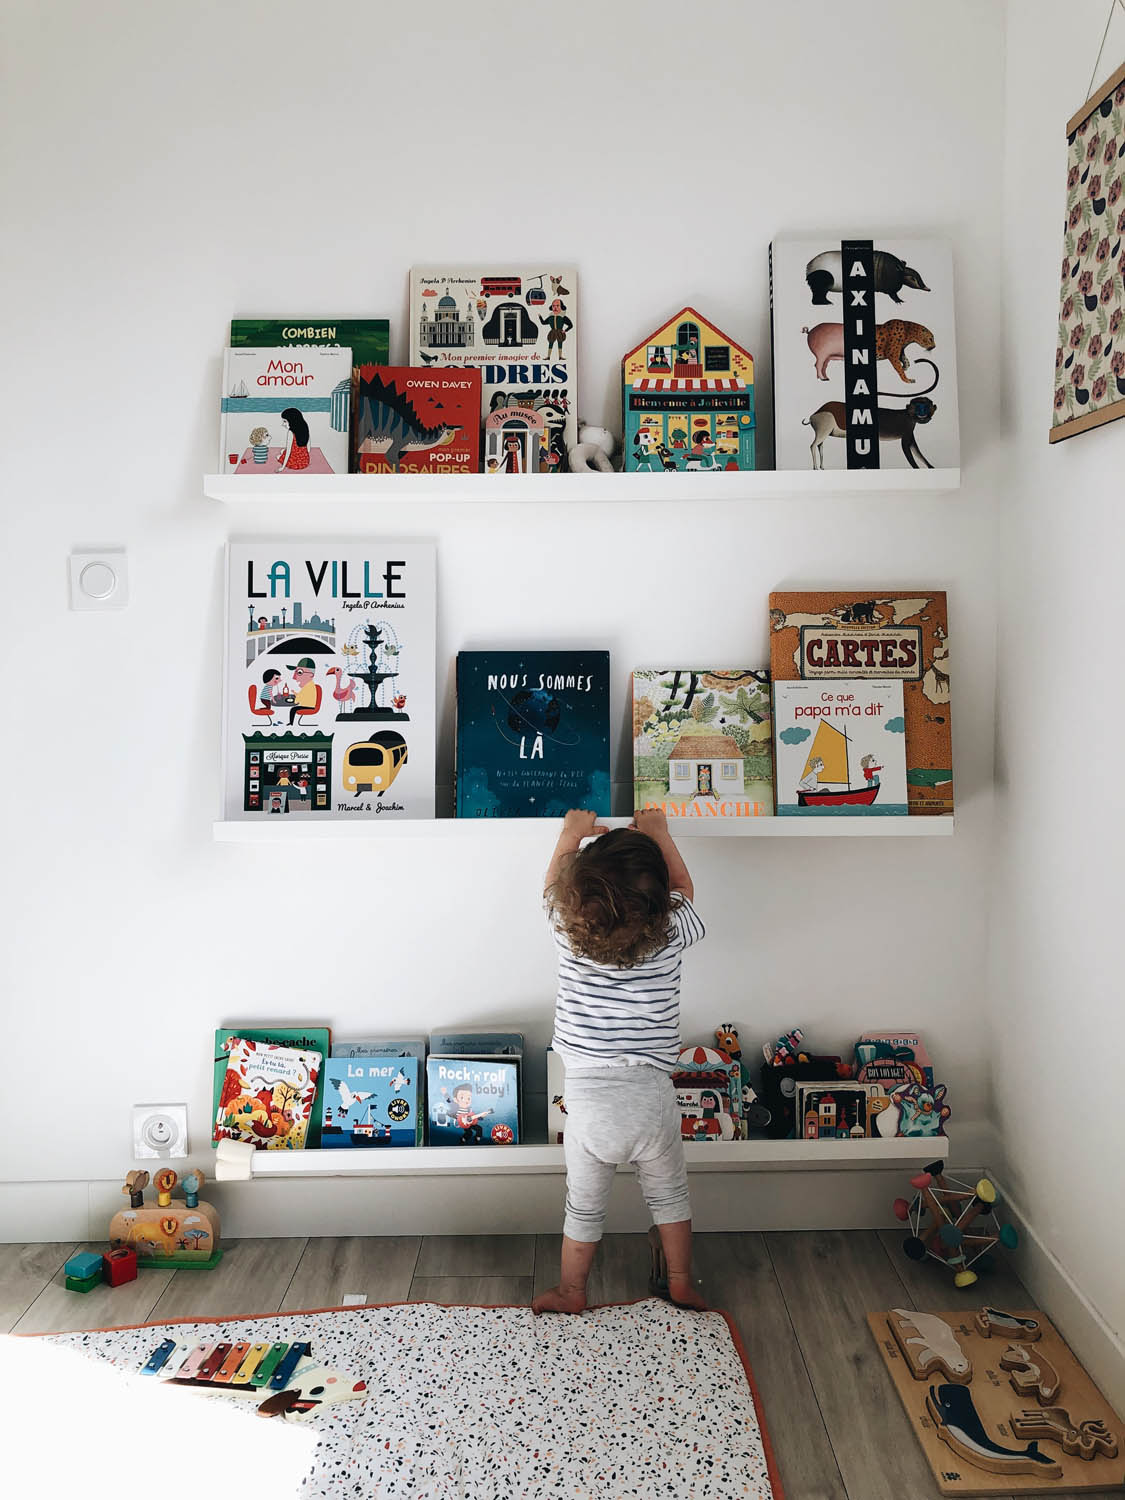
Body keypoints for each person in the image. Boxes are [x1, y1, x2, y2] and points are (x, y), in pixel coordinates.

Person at [532, 808, 707, 1315]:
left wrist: (569, 835)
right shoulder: (672, 932)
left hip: (588, 1105)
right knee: (670, 1199)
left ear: (575, 901)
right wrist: (660, 834)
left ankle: (572, 1291)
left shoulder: (568, 932)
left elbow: (550, 887)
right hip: (652, 1100)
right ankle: (679, 1282)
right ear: (659, 905)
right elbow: (685, 889)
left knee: (583, 1207)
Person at [276, 407, 311, 471]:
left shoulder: (291, 432)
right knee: (282, 451)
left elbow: (288, 452)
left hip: (296, 462)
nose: (283, 424)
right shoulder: (305, 428)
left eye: (285, 421)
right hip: (305, 461)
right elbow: (308, 449)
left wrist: (282, 467)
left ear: (292, 421)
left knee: (279, 455)